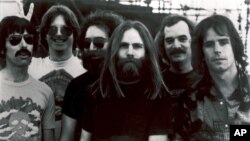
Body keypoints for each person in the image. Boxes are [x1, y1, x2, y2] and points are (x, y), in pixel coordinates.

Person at [80, 20, 171, 141]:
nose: (130, 52)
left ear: (147, 52)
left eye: (137, 46)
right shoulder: (95, 92)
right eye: (123, 46)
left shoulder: (159, 95)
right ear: (114, 51)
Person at [60, 10, 124, 141]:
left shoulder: (128, 83)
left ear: (115, 44)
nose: (91, 48)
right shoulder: (76, 86)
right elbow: (66, 137)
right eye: (86, 44)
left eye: (99, 43)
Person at [28, 5, 86, 140]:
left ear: (75, 34)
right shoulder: (29, 66)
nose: (59, 34)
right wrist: (14, 27)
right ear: (44, 35)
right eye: (53, 29)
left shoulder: (86, 70)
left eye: (66, 30)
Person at [189, 14, 250, 141]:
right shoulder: (191, 101)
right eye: (209, 44)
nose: (217, 50)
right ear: (202, 52)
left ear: (234, 46)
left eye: (223, 42)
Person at [0, 16, 55, 141]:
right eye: (15, 40)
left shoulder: (45, 92)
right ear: (3, 48)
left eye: (29, 39)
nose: (24, 45)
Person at [155, 14, 201, 140]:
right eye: (169, 41)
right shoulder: (155, 84)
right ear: (162, 45)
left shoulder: (208, 80)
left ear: (193, 41)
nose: (176, 45)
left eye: (182, 39)